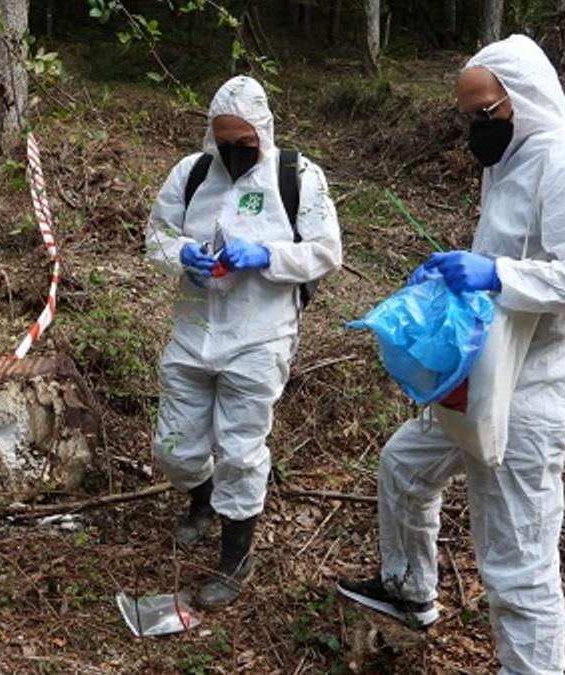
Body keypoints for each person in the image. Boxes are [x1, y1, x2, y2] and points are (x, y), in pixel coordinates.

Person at [336, 35, 565, 674]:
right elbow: (510, 260)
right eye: (467, 117)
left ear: (522, 99)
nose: (475, 128)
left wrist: (497, 274)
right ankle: (409, 590)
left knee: (516, 553)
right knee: (405, 466)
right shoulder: (509, 161)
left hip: (539, 386)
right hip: (490, 365)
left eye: (485, 114)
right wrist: (455, 283)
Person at [145, 75, 342, 609]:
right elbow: (156, 235)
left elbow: (326, 252)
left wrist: (269, 257)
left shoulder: (296, 176)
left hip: (261, 335)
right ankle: (201, 500)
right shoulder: (192, 173)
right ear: (212, 136)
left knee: (240, 449)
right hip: (193, 329)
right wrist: (182, 252)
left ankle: (235, 559)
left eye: (244, 143)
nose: (234, 152)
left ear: (263, 133)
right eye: (224, 141)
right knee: (175, 449)